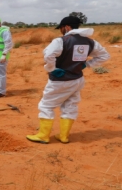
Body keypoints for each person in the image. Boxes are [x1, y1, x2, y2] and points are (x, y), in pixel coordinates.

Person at [26, 16, 110, 144]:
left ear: (66, 27)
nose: (61, 30)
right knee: (70, 105)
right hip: (77, 79)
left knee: (46, 105)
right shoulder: (90, 42)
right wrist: (86, 65)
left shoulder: (61, 41)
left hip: (60, 80)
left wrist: (51, 69)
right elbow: (104, 55)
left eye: (61, 28)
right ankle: (63, 136)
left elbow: (49, 55)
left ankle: (43, 135)